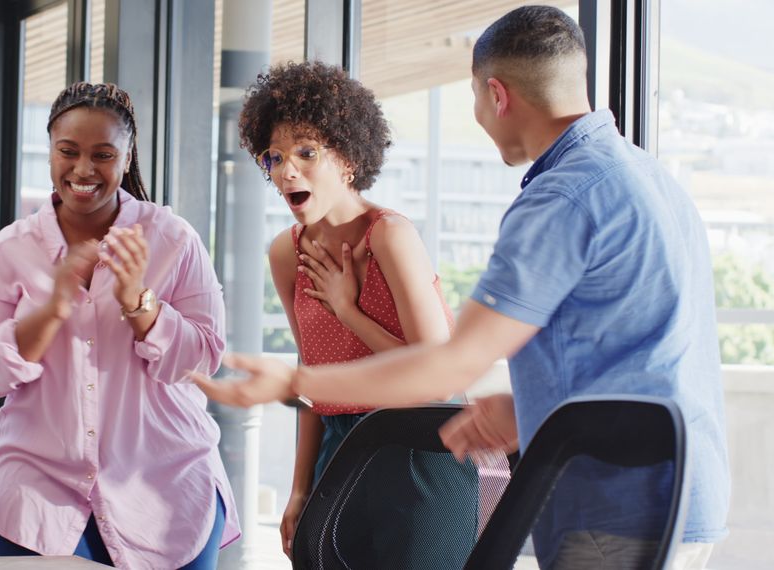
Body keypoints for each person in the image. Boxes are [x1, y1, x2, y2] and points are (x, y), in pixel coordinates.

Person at [194, 6, 728, 569]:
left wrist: (295, 378)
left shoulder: (559, 198)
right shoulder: (646, 176)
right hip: (679, 489)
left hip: (614, 505)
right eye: (274, 157)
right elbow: (637, 350)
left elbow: (452, 365)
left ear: (495, 95)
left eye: (473, 96)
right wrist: (528, 408)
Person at [0, 82, 239, 568]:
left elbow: (203, 355)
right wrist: (52, 309)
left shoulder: (173, 238)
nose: (83, 170)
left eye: (103, 154)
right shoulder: (8, 249)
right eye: (67, 152)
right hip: (37, 494)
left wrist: (139, 302)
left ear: (127, 158)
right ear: (49, 151)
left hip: (166, 487)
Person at [237, 61, 465, 561]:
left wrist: (348, 310)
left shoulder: (390, 235)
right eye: (273, 157)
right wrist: (298, 488)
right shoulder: (285, 252)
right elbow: (310, 376)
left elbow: (438, 379)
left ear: (347, 159)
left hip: (419, 450)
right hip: (338, 453)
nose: (285, 169)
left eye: (305, 152)